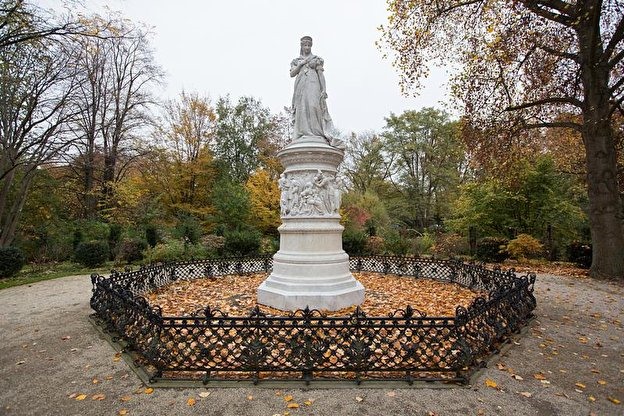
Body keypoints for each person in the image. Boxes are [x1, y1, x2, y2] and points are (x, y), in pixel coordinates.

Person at [290, 36, 344, 148]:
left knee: (314, 106)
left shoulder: (316, 59)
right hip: (301, 87)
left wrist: (324, 89)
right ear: (301, 46)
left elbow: (321, 75)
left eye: (309, 45)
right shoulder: (296, 61)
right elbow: (292, 74)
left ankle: (316, 133)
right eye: (305, 45)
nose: (307, 47)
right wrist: (301, 64)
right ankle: (303, 132)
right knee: (302, 108)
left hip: (314, 85)